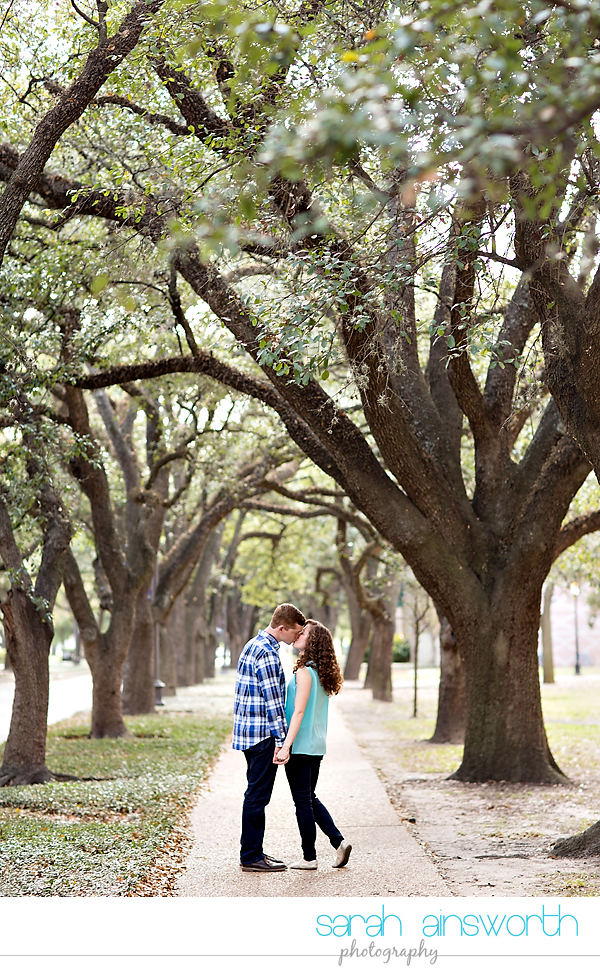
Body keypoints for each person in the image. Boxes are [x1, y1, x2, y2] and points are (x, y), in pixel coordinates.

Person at [233, 602, 306, 873]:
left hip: (250, 732)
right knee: (257, 795)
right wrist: (281, 740)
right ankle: (251, 856)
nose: (297, 638)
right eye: (295, 633)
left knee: (256, 793)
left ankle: (255, 851)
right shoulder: (265, 651)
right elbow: (273, 701)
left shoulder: (254, 644)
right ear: (281, 628)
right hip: (261, 735)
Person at [274, 619, 352, 870]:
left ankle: (309, 857)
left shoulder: (305, 672)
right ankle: (339, 842)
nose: (298, 634)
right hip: (316, 746)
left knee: (303, 802)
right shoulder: (321, 672)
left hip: (300, 745)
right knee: (309, 797)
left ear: (313, 641)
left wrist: (286, 746)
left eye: (303, 632)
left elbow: (298, 713)